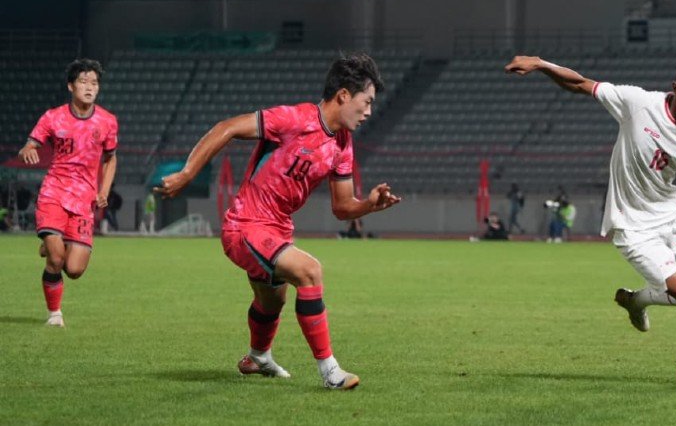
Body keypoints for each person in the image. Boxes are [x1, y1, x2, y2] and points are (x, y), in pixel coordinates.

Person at [505, 53, 676, 387]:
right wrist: (541, 65)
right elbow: (581, 83)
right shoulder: (637, 104)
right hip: (633, 226)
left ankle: (636, 300)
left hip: (672, 216)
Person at [154, 53, 401, 390]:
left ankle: (257, 357)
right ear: (344, 95)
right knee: (310, 271)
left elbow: (342, 208)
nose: (370, 111)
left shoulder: (343, 145)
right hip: (246, 224)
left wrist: (369, 205)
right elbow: (226, 128)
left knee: (272, 301)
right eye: (366, 101)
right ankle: (330, 371)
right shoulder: (294, 119)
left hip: (277, 228)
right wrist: (186, 173)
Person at [17, 58, 118, 327]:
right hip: (54, 192)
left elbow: (110, 158)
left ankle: (50, 242)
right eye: (83, 82)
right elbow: (31, 143)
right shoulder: (53, 117)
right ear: (71, 86)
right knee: (57, 260)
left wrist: (104, 190)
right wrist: (29, 149)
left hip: (84, 199)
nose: (89, 87)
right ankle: (55, 314)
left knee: (73, 269)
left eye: (94, 83)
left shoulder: (107, 122)